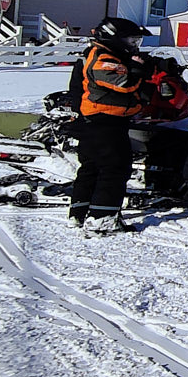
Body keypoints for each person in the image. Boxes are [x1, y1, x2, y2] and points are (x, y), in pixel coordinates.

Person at [70, 16, 154, 236]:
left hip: (98, 120)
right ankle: (102, 219)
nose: (134, 46)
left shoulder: (105, 54)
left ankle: (81, 213)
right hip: (104, 120)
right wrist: (137, 69)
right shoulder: (102, 58)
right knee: (114, 168)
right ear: (114, 38)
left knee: (92, 167)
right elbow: (124, 84)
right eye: (131, 41)